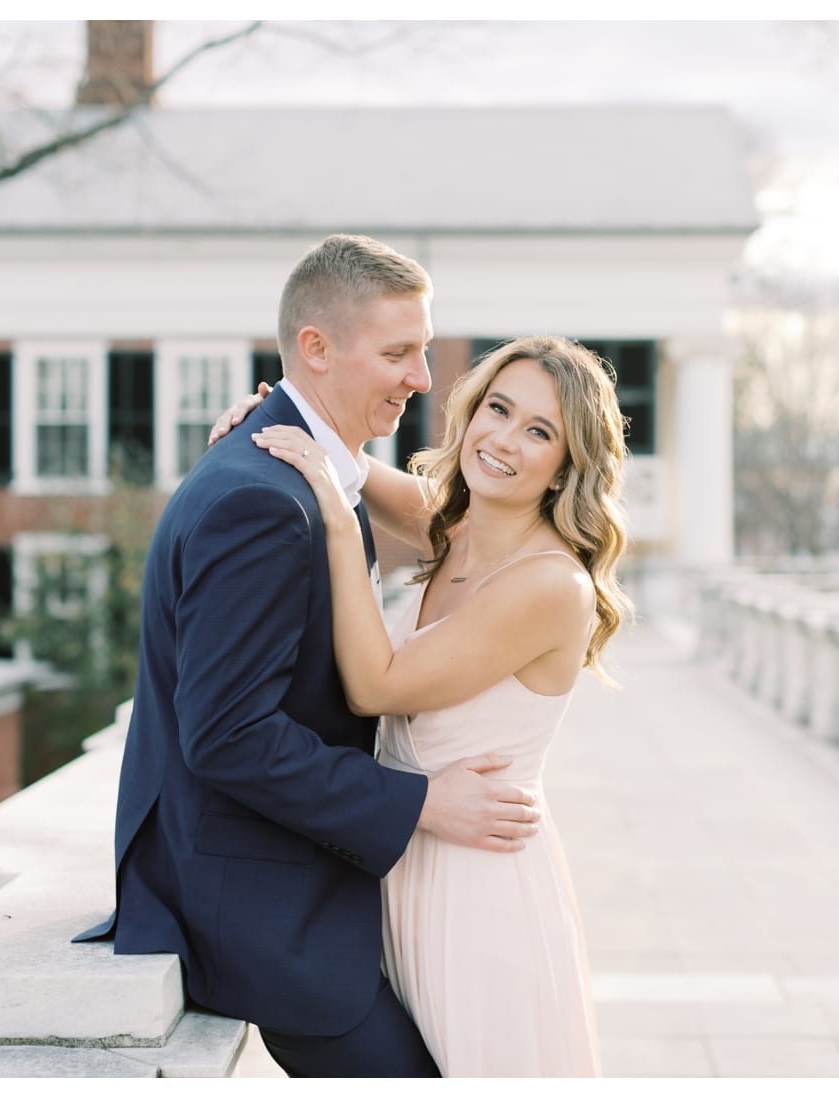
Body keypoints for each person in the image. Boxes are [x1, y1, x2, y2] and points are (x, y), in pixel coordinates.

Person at [74, 234, 542, 1079]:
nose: (423, 379)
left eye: (425, 352)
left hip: (307, 873)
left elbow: (435, 517)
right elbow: (225, 736)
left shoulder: (307, 471)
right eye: (399, 352)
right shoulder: (263, 499)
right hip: (253, 902)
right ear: (316, 349)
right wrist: (420, 804)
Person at [225, 334, 632, 1076]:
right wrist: (275, 423)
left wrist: (340, 520)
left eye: (539, 431)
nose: (504, 439)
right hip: (412, 862)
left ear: (568, 464)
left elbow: (375, 685)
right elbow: (368, 474)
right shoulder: (464, 530)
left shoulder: (549, 584)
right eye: (498, 409)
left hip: (482, 891)